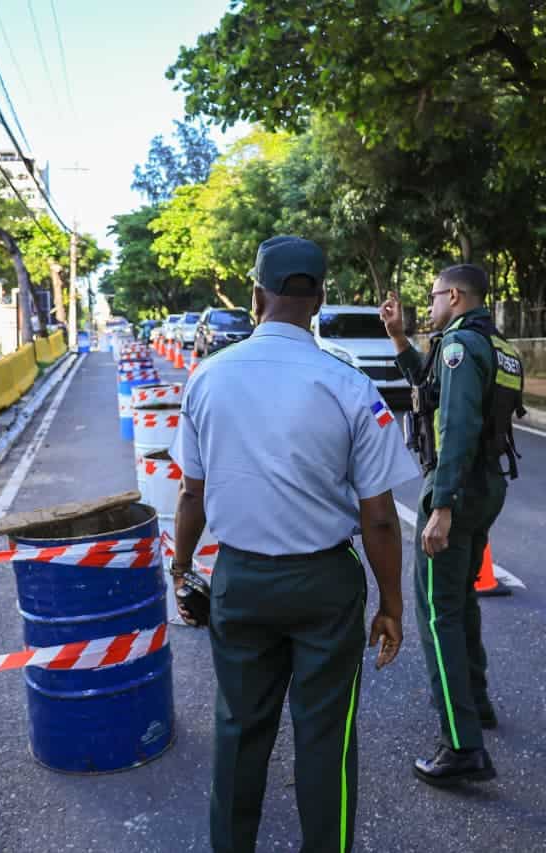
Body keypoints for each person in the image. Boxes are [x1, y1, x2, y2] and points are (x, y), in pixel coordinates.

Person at [169, 236, 418, 853]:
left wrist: (180, 568)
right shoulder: (348, 384)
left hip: (241, 580)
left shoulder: (207, 378)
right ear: (321, 301)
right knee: (325, 741)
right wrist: (392, 602)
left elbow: (192, 497)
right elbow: (380, 517)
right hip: (324, 586)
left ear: (256, 296)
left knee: (237, 733)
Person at [379, 264, 525, 787]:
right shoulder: (495, 343)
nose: (430, 304)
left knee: (438, 614)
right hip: (487, 486)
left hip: (456, 489)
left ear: (456, 296)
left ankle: (461, 745)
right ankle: (477, 703)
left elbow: (458, 424)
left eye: (434, 295)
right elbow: (430, 385)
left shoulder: (461, 345)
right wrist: (398, 340)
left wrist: (440, 505)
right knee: (460, 601)